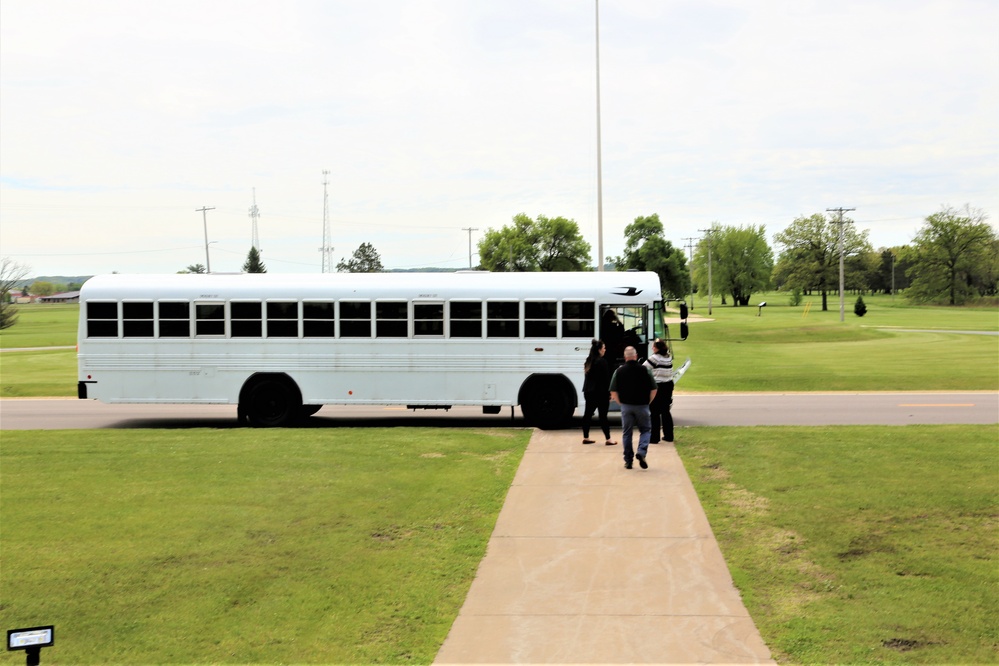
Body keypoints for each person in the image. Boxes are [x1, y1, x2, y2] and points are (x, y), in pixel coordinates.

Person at [609, 346, 658, 469]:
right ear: (636, 356)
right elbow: (654, 389)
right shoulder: (646, 370)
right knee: (646, 430)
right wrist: (648, 401)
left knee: (627, 434)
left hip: (626, 406)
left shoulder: (618, 371)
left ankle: (628, 461)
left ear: (625, 357)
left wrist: (621, 403)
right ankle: (641, 451)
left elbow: (613, 391)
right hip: (642, 405)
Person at [581, 339, 616, 446]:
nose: (605, 350)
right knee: (603, 416)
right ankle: (608, 439)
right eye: (604, 348)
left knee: (587, 414)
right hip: (600, 392)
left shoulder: (588, 361)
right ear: (599, 350)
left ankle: (586, 437)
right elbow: (606, 379)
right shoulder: (602, 362)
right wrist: (610, 393)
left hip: (589, 391)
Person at [644, 338, 674, 444]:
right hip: (668, 385)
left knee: (654, 413)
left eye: (654, 347)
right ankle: (669, 435)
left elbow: (644, 368)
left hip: (658, 386)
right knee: (666, 411)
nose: (652, 348)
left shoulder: (654, 358)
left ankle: (654, 437)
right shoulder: (668, 357)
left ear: (657, 348)